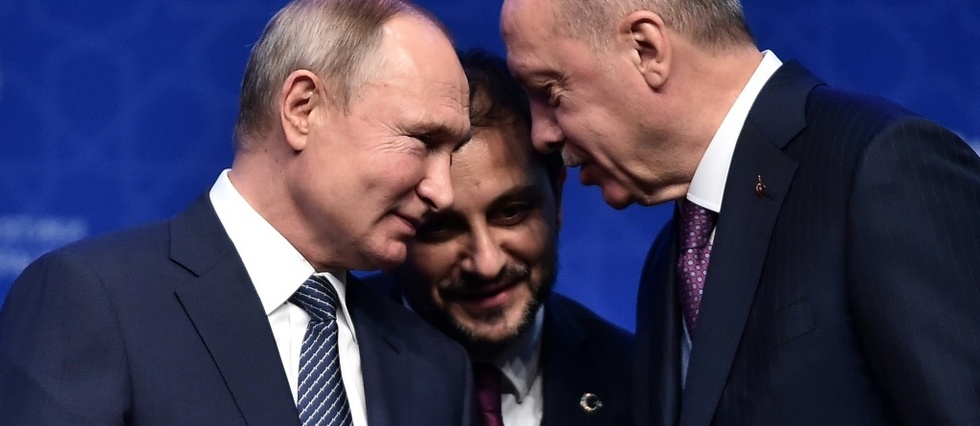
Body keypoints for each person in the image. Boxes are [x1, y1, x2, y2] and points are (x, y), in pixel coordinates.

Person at [500, 0, 980, 424]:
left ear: (646, 49)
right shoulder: (667, 261)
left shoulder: (880, 166)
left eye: (551, 93)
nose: (542, 135)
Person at [0, 0, 477, 424]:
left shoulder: (437, 369)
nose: (443, 192)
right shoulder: (94, 303)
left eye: (451, 153)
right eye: (422, 140)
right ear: (303, 109)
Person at [373, 49, 633, 426]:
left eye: (511, 213)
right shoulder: (325, 365)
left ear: (558, 198)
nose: (487, 264)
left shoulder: (638, 382)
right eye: (440, 227)